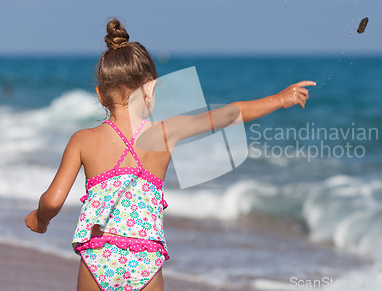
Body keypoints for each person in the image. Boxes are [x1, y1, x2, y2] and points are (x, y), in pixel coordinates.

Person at [24, 18, 315, 291]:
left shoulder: (83, 140)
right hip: (146, 259)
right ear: (150, 90)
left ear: (100, 95)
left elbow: (53, 200)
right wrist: (279, 99)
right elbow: (227, 115)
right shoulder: (166, 133)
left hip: (97, 256)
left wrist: (41, 219)